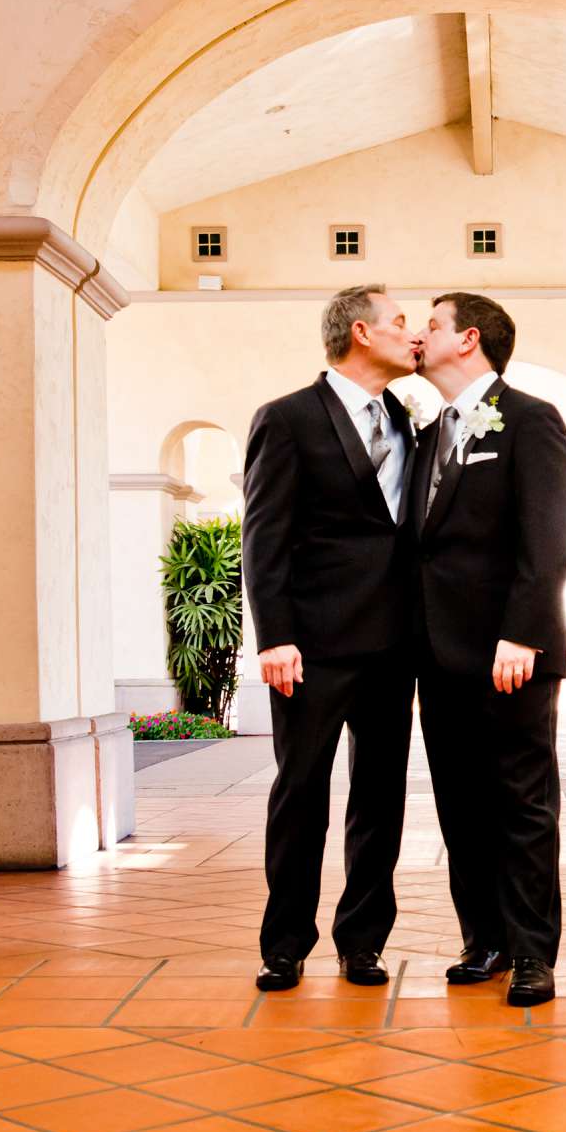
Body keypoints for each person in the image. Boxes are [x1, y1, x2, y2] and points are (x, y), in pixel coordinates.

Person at [239, 284, 422, 992]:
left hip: (393, 645)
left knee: (380, 799)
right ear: (360, 332)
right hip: (310, 647)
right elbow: (264, 536)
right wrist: (275, 635)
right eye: (400, 322)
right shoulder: (286, 419)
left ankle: (363, 941)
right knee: (301, 792)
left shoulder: (406, 421)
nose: (412, 336)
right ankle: (284, 943)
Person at [410, 292, 566, 1007]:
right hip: (437, 656)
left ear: (467, 339)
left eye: (431, 324)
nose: (418, 335)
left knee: (523, 804)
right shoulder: (425, 435)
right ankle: (484, 941)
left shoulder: (531, 419)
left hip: (512, 654)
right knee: (460, 806)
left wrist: (524, 633)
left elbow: (550, 538)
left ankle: (534, 953)